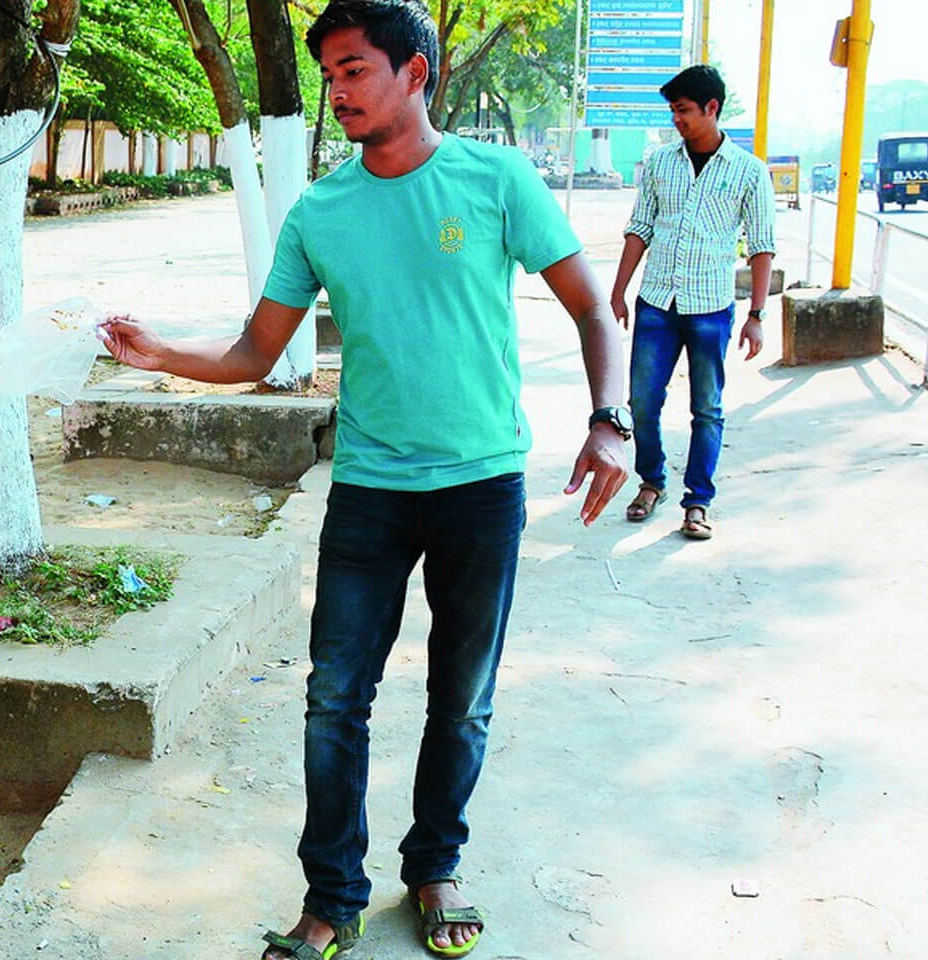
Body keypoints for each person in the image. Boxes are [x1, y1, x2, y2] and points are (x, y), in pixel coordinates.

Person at [99, 3, 629, 956]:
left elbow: (595, 310)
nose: (336, 92)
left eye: (353, 72)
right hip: (372, 490)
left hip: (482, 485)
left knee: (461, 698)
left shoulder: (497, 178)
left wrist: (609, 420)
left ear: (415, 73)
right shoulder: (322, 210)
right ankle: (333, 895)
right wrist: (159, 356)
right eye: (329, 77)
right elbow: (260, 350)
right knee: (335, 697)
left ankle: (434, 868)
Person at [610, 64, 776, 540]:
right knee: (642, 402)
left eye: (683, 111)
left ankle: (698, 501)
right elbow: (640, 227)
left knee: (707, 408)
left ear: (712, 108)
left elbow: (761, 244)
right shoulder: (661, 163)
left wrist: (757, 316)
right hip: (657, 303)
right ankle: (651, 482)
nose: (676, 120)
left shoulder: (749, 172)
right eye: (672, 111)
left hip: (710, 309)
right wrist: (618, 291)